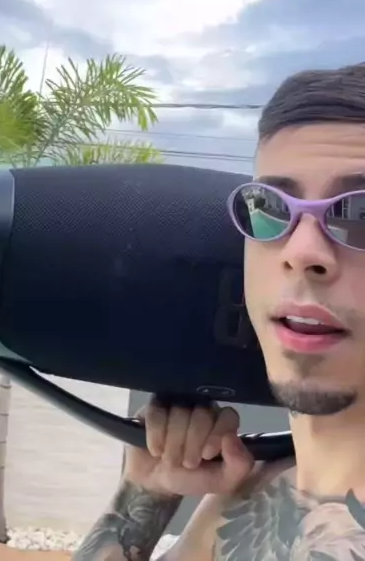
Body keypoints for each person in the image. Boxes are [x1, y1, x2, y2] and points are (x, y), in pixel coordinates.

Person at [72, 62, 365, 561]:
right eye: (270, 207)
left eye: (360, 213)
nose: (302, 252)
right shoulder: (250, 501)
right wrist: (147, 490)